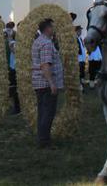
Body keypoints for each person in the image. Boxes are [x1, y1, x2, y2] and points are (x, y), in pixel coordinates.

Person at [31, 19, 64, 149]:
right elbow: (45, 65)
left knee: (42, 112)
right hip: (45, 84)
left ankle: (42, 138)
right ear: (48, 28)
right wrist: (52, 84)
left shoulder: (38, 41)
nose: (54, 29)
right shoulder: (46, 44)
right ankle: (44, 141)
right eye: (52, 27)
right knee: (48, 113)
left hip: (40, 83)